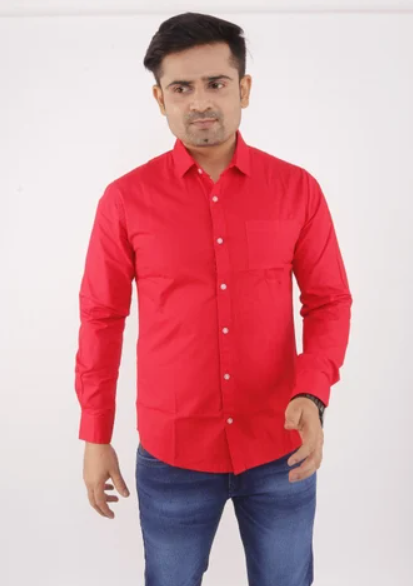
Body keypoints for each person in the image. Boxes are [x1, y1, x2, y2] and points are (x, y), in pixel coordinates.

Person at [74, 11, 353, 586]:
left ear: (243, 89)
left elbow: (328, 301)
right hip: (173, 453)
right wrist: (95, 435)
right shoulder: (125, 200)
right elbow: (102, 317)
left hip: (281, 446)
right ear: (160, 99)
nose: (200, 102)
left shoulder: (297, 190)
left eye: (215, 83)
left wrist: (313, 391)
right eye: (181, 88)